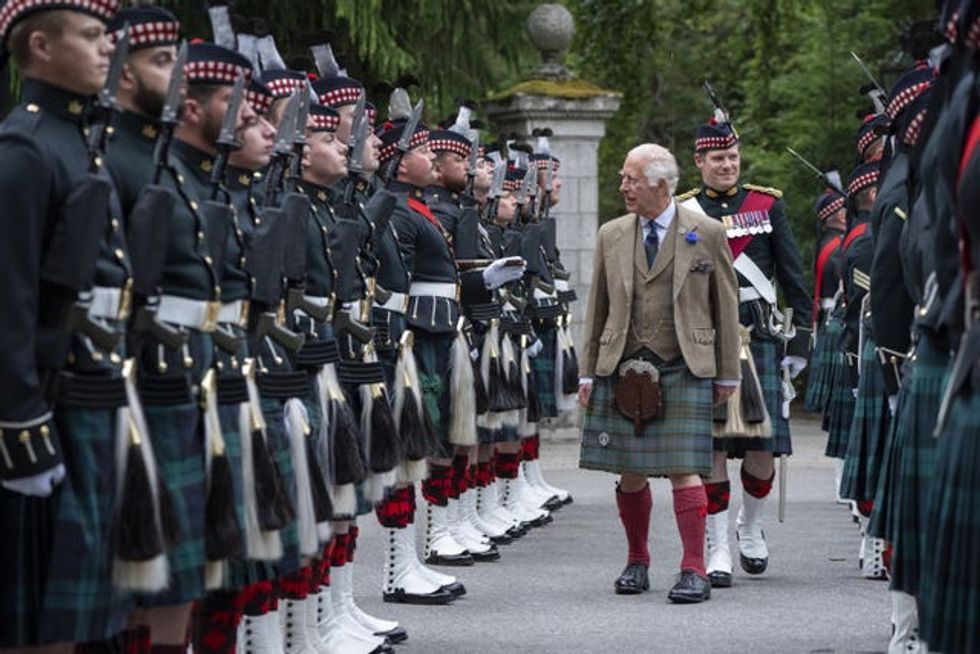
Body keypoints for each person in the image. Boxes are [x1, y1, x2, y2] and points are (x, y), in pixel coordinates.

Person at [0, 0, 129, 649]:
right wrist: (20, 425)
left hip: (90, 391)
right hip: (50, 404)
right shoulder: (24, 147)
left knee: (84, 621)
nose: (108, 47)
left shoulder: (78, 141)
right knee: (40, 627)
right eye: (91, 35)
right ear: (41, 47)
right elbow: (9, 298)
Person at [578, 143, 740, 604]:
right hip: (623, 365)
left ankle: (694, 568)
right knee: (630, 471)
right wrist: (587, 373)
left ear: (661, 186)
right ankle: (637, 560)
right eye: (624, 179)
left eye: (631, 179)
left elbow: (725, 305)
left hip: (685, 364)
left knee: (686, 469)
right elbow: (597, 306)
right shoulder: (611, 234)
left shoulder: (707, 232)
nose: (623, 187)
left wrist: (728, 373)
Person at [678, 116, 811, 587]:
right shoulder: (684, 210)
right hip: (705, 338)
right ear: (699, 161)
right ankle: (717, 546)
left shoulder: (766, 205)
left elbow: (793, 275)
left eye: (733, 157)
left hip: (759, 336)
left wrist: (801, 339)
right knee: (712, 446)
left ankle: (750, 527)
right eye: (718, 158)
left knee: (763, 447)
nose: (728, 165)